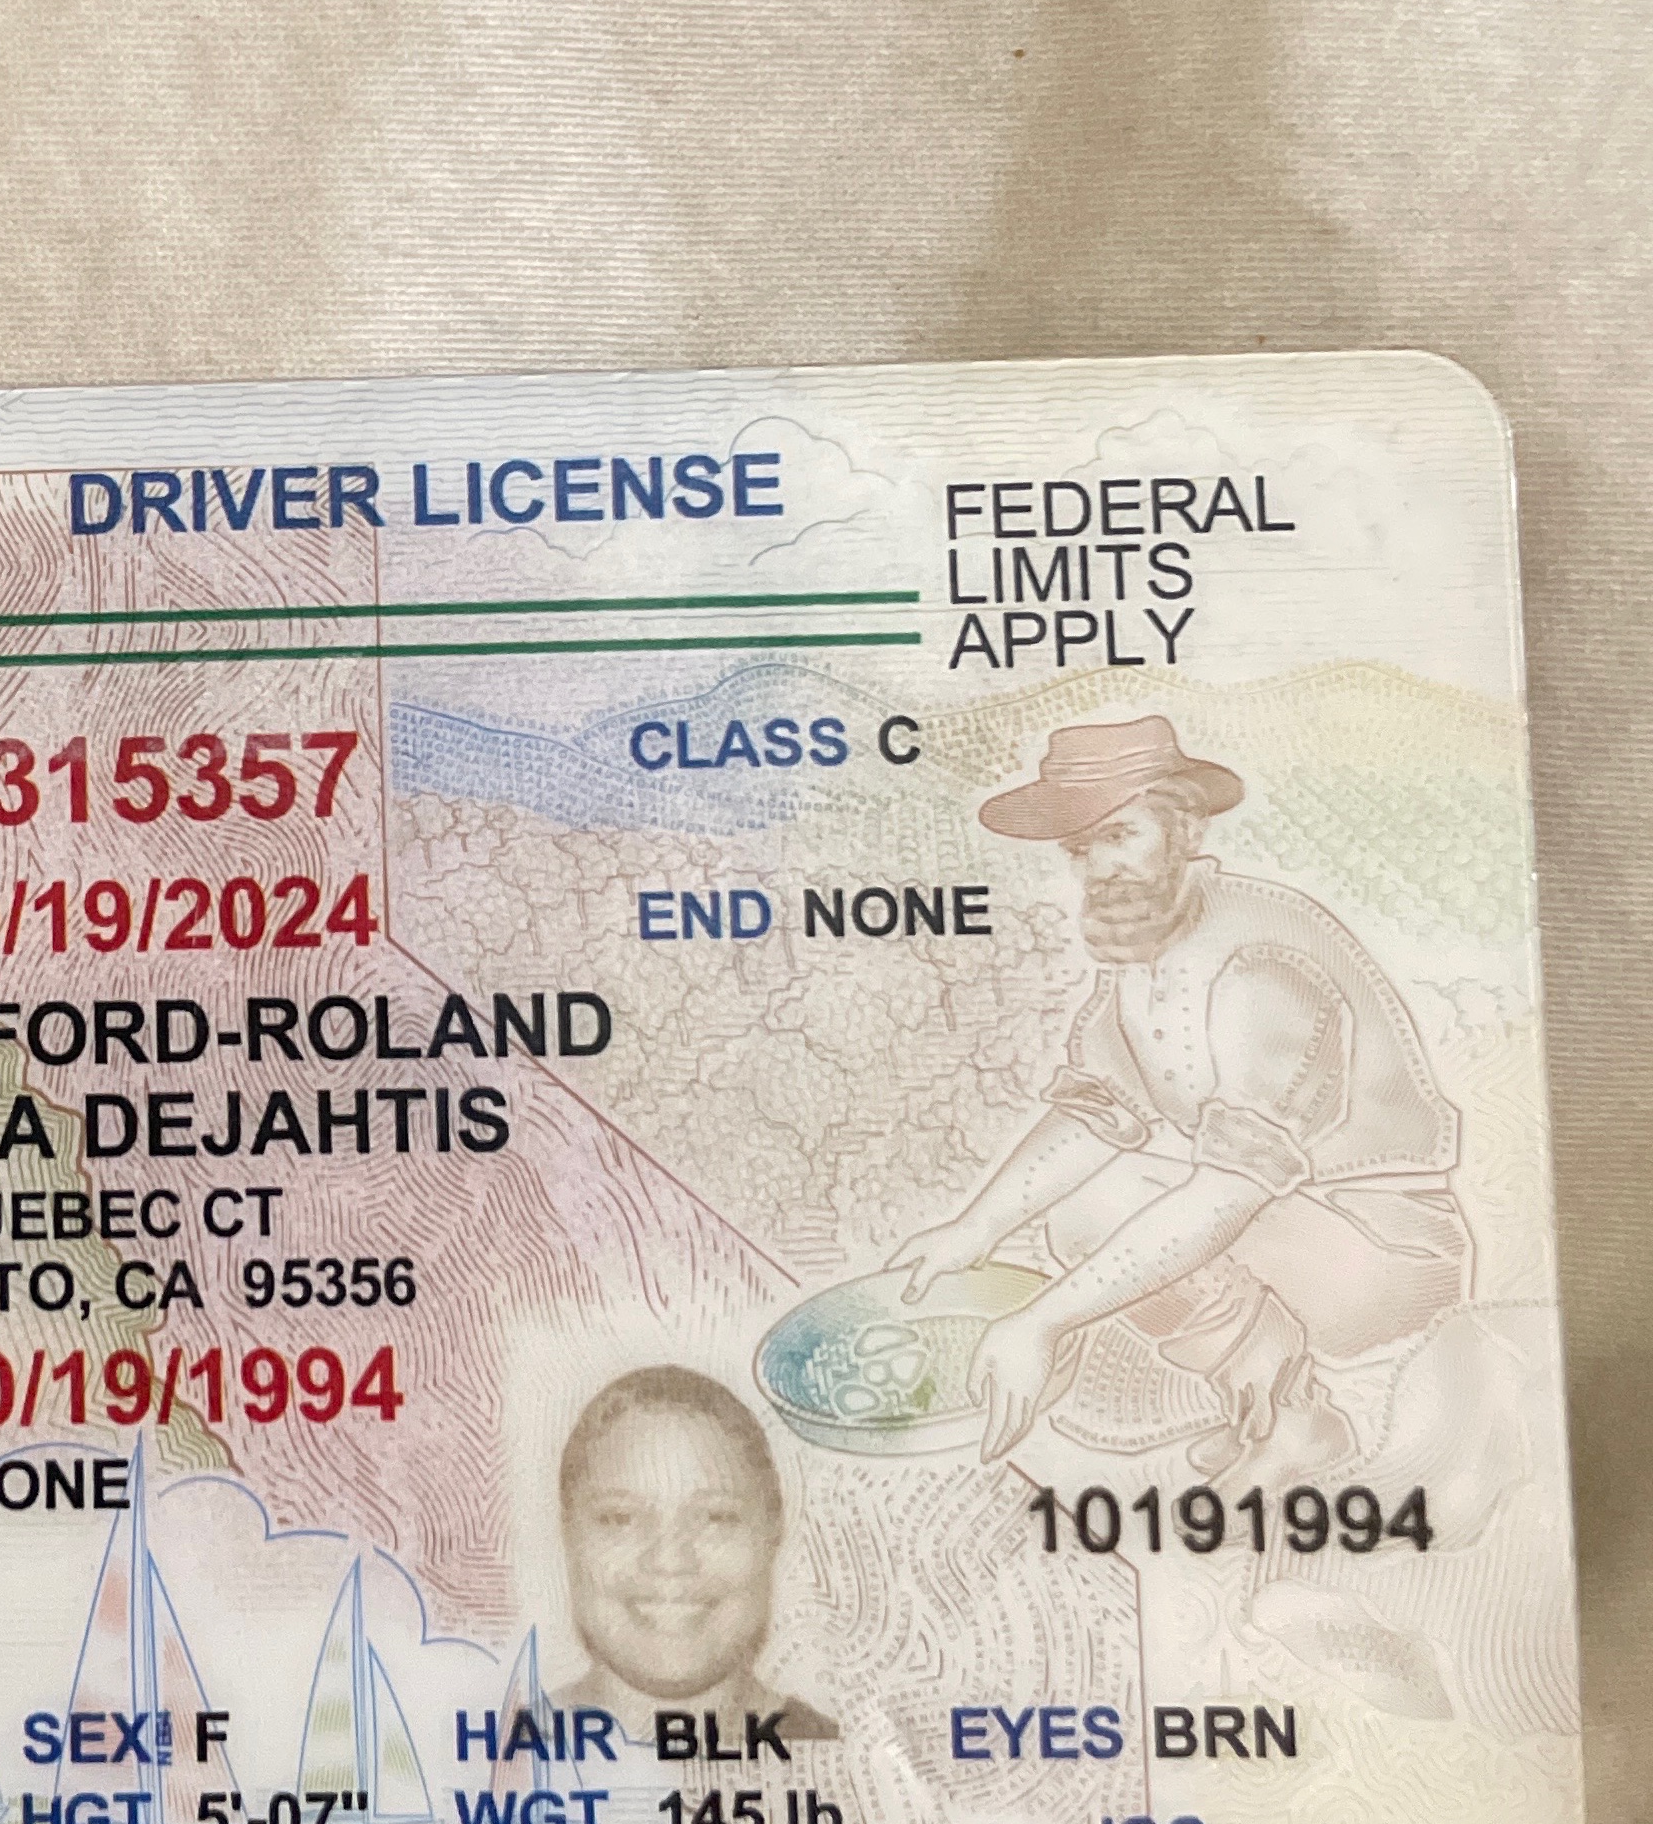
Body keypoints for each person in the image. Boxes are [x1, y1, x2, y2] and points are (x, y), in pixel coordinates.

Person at [891, 714, 1469, 1477]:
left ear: (1185, 829)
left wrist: (1041, 1324)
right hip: (1297, 1223)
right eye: (1080, 848)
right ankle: (1271, 1414)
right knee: (1085, 1208)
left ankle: (1296, 1419)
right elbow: (1102, 1110)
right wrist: (974, 1228)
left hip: (1384, 1246)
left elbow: (1233, 1187)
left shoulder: (1257, 959)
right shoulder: (1149, 948)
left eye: (1119, 835)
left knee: (1110, 1209)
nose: (1100, 867)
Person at [551, 1365, 837, 1742]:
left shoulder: (849, 1759)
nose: (670, 1561)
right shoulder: (492, 1755)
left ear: (772, 1530)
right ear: (569, 1533)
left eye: (716, 1518)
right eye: (621, 1518)